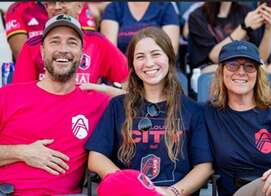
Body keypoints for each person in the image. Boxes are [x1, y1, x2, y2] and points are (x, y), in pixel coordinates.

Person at [86, 27, 213, 196]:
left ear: (169, 57)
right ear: (132, 64)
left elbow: (205, 166)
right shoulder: (117, 106)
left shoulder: (193, 110)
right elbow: (96, 158)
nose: (149, 63)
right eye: (140, 57)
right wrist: (132, 187)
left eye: (155, 54)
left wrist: (171, 192)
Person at [0, 15, 110, 195]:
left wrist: (104, 88)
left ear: (82, 53)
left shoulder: (98, 103)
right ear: (42, 51)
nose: (63, 49)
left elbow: (146, 99)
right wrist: (22, 152)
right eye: (55, 42)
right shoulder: (7, 95)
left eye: (72, 42)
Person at [203, 40, 271, 196]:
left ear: (258, 73)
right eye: (232, 65)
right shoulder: (207, 114)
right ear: (221, 72)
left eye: (249, 66)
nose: (241, 72)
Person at [12, 2, 128, 97]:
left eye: (63, 1)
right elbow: (20, 92)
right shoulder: (32, 46)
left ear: (80, 6)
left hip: (87, 115)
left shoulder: (98, 43)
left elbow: (128, 78)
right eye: (51, 3)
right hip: (45, 114)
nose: (57, 7)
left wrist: (105, 91)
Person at [188, 2, 271, 73]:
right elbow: (215, 56)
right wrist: (244, 27)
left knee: (263, 69)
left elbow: (261, 57)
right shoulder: (197, 17)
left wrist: (268, 28)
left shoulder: (247, 11)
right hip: (212, 67)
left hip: (246, 65)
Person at [5, 2, 96, 60]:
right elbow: (22, 57)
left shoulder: (75, 4)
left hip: (77, 71)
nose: (57, 7)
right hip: (36, 74)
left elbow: (89, 50)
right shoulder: (18, 8)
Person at [101, 2, 180, 55]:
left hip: (157, 68)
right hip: (122, 69)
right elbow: (110, 52)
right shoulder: (115, 7)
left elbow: (170, 51)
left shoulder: (166, 6)